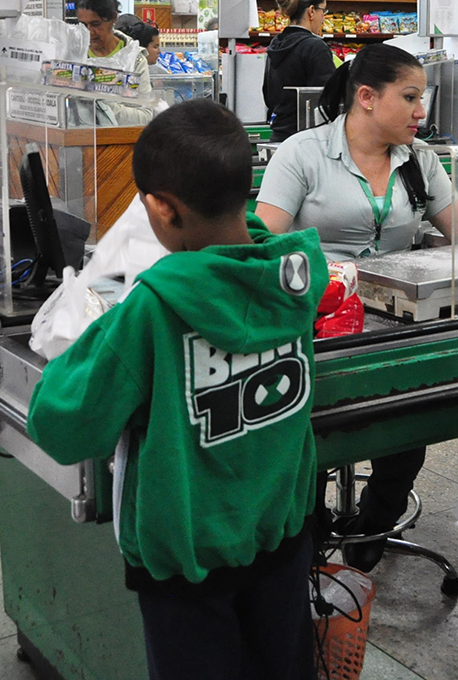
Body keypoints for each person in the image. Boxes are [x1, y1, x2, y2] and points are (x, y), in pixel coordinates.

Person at [26, 99, 326, 680]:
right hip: (283, 538)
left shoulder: (151, 310)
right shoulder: (292, 275)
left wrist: (100, 339)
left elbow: (61, 424)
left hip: (187, 570)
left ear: (161, 208)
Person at [255, 43, 458, 572]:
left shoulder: (420, 162)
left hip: (398, 322)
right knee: (315, 426)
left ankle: (376, 521)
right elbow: (265, 241)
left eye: (421, 98)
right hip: (320, 323)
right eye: (409, 97)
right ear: (365, 97)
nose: (421, 112)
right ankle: (306, 530)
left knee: (408, 417)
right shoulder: (303, 154)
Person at [263, 0, 337, 143]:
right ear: (311, 11)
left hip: (279, 134)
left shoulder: (276, 44)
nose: (323, 18)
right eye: (323, 11)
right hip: (307, 140)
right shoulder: (316, 47)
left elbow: (267, 94)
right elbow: (328, 99)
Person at [75, 0, 151, 90]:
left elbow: (143, 104)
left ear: (114, 18)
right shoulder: (73, 55)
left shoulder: (135, 59)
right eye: (84, 25)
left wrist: (104, 103)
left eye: (96, 24)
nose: (89, 32)